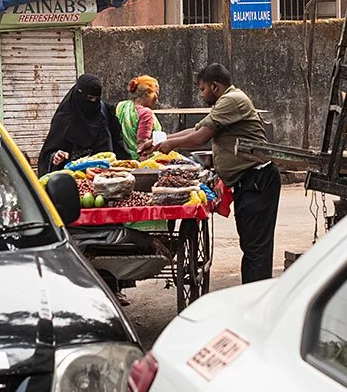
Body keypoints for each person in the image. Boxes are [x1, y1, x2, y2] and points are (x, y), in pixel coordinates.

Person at [157, 62, 279, 285]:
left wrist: (169, 145)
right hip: (247, 182)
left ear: (215, 86)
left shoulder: (232, 101)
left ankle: (256, 300)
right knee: (252, 246)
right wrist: (164, 140)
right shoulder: (225, 102)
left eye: (202, 89)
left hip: (257, 180)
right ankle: (253, 295)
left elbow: (200, 138)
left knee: (256, 249)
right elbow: (196, 130)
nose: (201, 94)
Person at [37, 73, 114, 170]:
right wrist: (57, 156)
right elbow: (48, 153)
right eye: (89, 98)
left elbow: (109, 151)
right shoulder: (63, 119)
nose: (93, 102)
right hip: (69, 179)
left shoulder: (102, 115)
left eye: (96, 99)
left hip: (99, 176)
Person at [113, 76, 161, 159]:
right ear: (147, 93)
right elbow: (142, 144)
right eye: (156, 94)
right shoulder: (146, 113)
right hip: (140, 159)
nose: (157, 100)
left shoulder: (122, 106)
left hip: (122, 155)